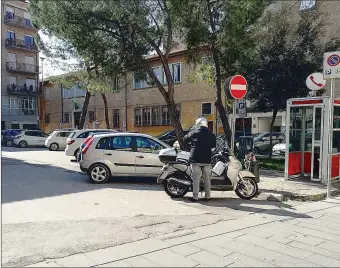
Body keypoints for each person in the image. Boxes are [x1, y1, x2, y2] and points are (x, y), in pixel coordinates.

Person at [183, 117, 216, 202]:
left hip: (196, 158)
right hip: (207, 159)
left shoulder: (194, 132)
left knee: (196, 179)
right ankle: (208, 196)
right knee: (207, 178)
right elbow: (213, 146)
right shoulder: (211, 134)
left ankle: (195, 197)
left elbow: (185, 139)